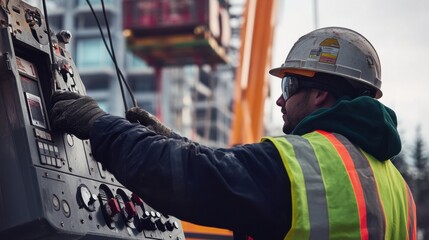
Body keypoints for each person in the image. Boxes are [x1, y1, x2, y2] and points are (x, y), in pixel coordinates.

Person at [50, 27, 417, 240]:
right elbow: (232, 174)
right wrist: (178, 142)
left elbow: (191, 178)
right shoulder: (395, 185)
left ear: (320, 92)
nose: (279, 100)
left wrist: (100, 124)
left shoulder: (308, 166)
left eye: (289, 86)